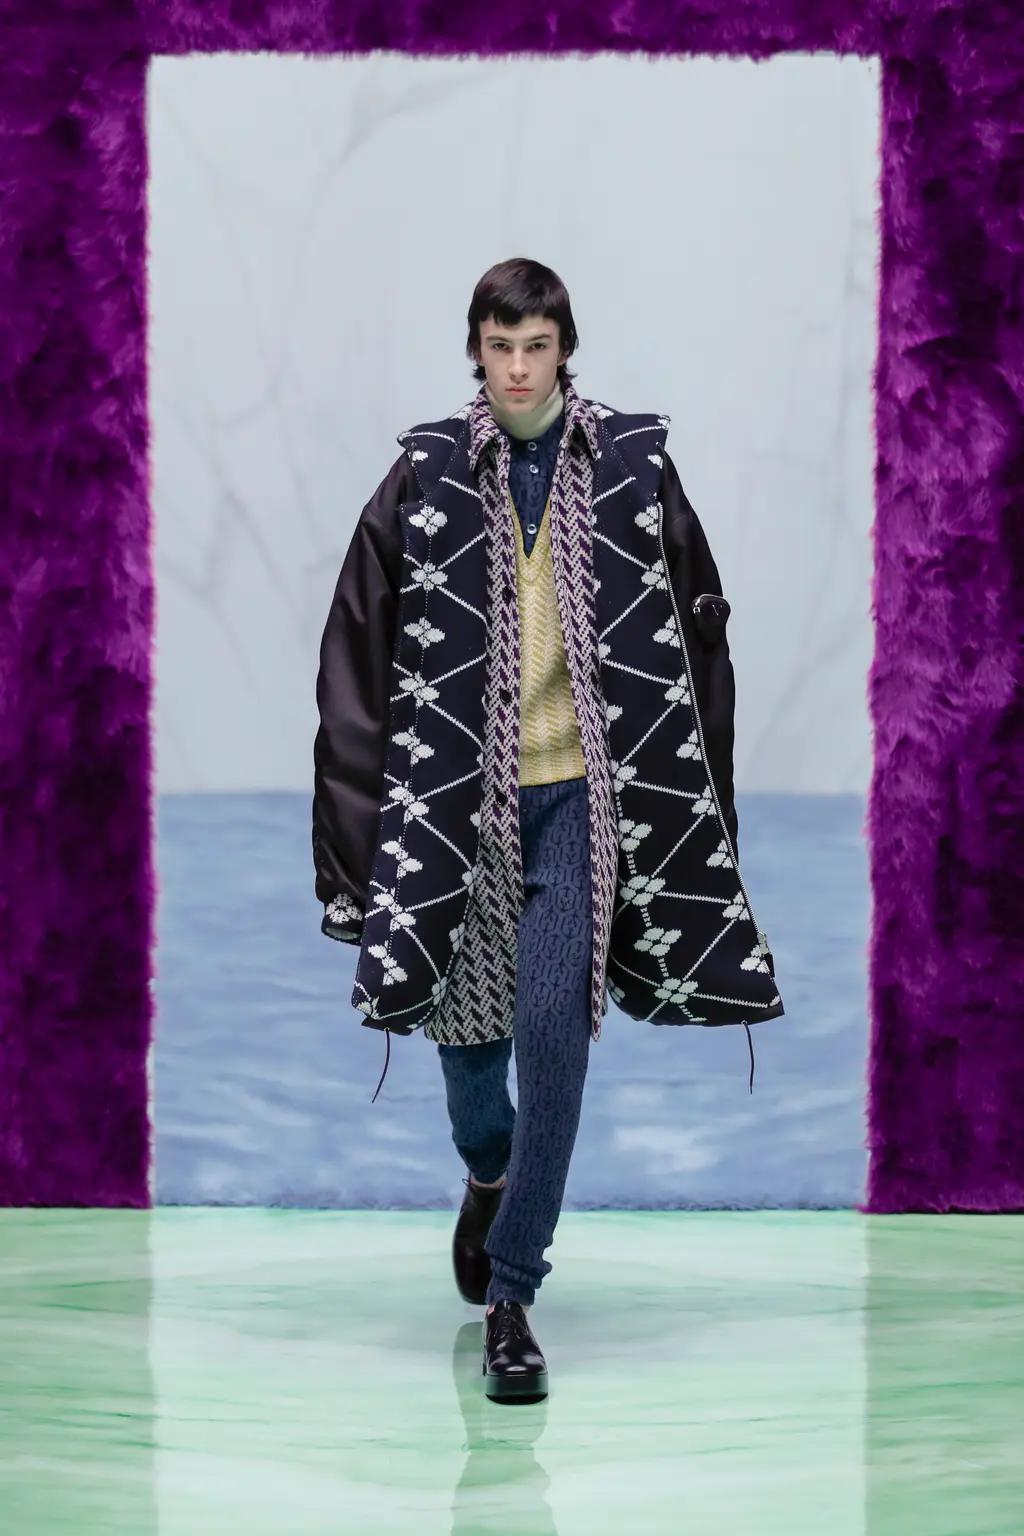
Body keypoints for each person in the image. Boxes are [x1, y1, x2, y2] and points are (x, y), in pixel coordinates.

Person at [312, 258, 783, 1404]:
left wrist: (705, 808)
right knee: (472, 1060)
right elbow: (357, 663)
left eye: (536, 346)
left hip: (579, 797)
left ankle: (514, 1295)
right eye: (500, 346)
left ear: (564, 348)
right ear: (475, 350)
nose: (518, 369)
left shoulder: (630, 469)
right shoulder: (425, 478)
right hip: (458, 812)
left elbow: (696, 644)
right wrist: (353, 850)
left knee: (553, 1030)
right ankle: (489, 1175)